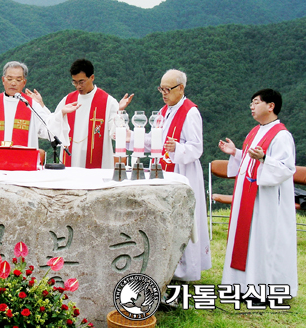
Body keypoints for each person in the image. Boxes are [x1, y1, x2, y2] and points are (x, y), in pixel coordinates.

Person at [131, 69, 211, 281]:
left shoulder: (190, 112)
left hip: (183, 171)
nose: (164, 93)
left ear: (181, 88)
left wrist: (178, 147)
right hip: (164, 169)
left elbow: (196, 148)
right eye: (161, 89)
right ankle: (167, 265)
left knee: (183, 218)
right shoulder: (164, 111)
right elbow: (155, 141)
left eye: (168, 89)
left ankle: (186, 269)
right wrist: (132, 137)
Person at [218, 89, 297, 300]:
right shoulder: (255, 131)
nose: (251, 106)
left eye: (256, 102)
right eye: (251, 103)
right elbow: (251, 160)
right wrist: (235, 153)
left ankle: (262, 287)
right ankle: (241, 285)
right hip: (248, 197)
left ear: (271, 106)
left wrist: (265, 160)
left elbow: (286, 168)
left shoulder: (281, 135)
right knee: (248, 240)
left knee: (262, 240)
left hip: (266, 201)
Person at [48, 59, 133, 169]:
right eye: (75, 82)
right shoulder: (67, 100)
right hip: (71, 160)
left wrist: (119, 113)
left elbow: (116, 134)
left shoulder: (108, 102)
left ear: (92, 77)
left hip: (97, 165)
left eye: (81, 82)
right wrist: (61, 114)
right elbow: (51, 128)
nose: (78, 86)